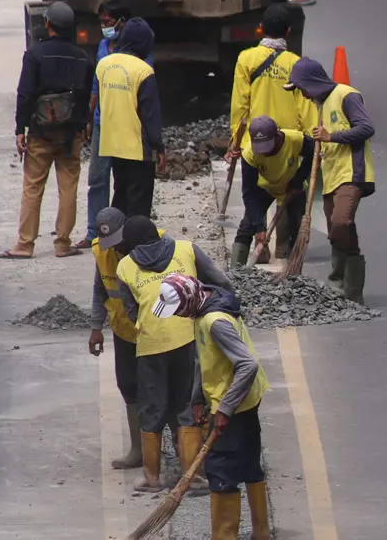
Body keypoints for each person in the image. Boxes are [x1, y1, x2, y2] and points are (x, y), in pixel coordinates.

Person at [116, 215, 234, 492]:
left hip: (150, 345)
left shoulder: (124, 266)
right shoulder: (186, 249)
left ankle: (151, 478)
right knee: (188, 403)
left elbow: (131, 310)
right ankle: (193, 477)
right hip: (189, 338)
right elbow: (219, 281)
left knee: (152, 407)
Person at [154, 274, 271, 540]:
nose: (179, 316)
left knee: (221, 470)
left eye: (179, 311)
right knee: (250, 463)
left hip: (235, 404)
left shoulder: (214, 322)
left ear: (189, 301)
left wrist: (225, 409)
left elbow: (247, 365)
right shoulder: (206, 306)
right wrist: (198, 398)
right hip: (246, 399)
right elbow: (205, 358)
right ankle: (261, 532)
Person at [0, 2, 93, 259]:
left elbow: (25, 94)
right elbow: (85, 97)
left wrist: (20, 128)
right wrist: (83, 126)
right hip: (70, 135)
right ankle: (63, 244)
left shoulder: (35, 56)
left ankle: (25, 245)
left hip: (40, 133)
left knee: (32, 188)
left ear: (48, 24)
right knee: (68, 188)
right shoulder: (83, 58)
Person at [283, 58, 375, 303]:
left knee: (341, 221)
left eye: (301, 88)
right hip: (331, 175)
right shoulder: (319, 105)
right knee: (335, 233)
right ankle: (351, 293)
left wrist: (331, 136)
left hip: (351, 173)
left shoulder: (347, 95)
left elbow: (366, 128)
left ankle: (338, 279)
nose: (301, 95)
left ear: (310, 82)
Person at [227, 4, 312, 262]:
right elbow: (305, 107)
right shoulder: (296, 64)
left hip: (255, 140)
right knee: (289, 190)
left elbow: (240, 106)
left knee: (255, 191)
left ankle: (258, 245)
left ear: (261, 29)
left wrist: (235, 142)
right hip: (288, 142)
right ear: (288, 31)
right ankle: (283, 250)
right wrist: (310, 139)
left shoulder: (246, 59)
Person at [86, 207, 165, 470]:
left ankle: (170, 447)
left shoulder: (153, 245)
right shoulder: (103, 252)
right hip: (123, 331)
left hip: (154, 330)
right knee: (129, 386)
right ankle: (138, 450)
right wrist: (96, 327)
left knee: (160, 389)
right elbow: (100, 289)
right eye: (111, 243)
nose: (116, 247)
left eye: (120, 241)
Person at [77, 0, 155, 249]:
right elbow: (94, 88)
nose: (104, 27)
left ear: (122, 23)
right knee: (98, 178)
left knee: (126, 183)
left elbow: (146, 100)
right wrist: (88, 118)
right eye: (101, 23)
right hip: (104, 123)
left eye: (108, 23)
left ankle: (125, 235)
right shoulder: (102, 49)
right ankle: (96, 232)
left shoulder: (143, 60)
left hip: (127, 128)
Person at [96, 18, 165, 219]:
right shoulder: (143, 71)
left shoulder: (104, 66)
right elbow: (150, 115)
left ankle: (115, 244)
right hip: (137, 149)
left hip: (112, 145)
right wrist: (158, 147)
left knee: (120, 197)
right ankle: (134, 248)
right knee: (138, 205)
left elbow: (103, 104)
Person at [230, 116, 314, 268]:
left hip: (292, 186)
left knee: (296, 228)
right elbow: (249, 193)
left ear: (277, 136)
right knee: (247, 227)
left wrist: (298, 178)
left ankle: (293, 273)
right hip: (265, 187)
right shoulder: (249, 155)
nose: (264, 153)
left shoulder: (295, 139)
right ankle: (236, 274)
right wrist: (260, 228)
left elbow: (314, 153)